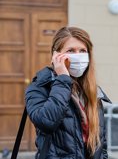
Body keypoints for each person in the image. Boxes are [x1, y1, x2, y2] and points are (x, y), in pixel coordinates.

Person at [25, 26, 111, 159]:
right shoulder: (40, 87)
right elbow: (46, 122)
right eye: (71, 50)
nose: (78, 56)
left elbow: (101, 143)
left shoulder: (92, 91)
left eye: (82, 50)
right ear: (56, 55)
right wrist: (63, 79)